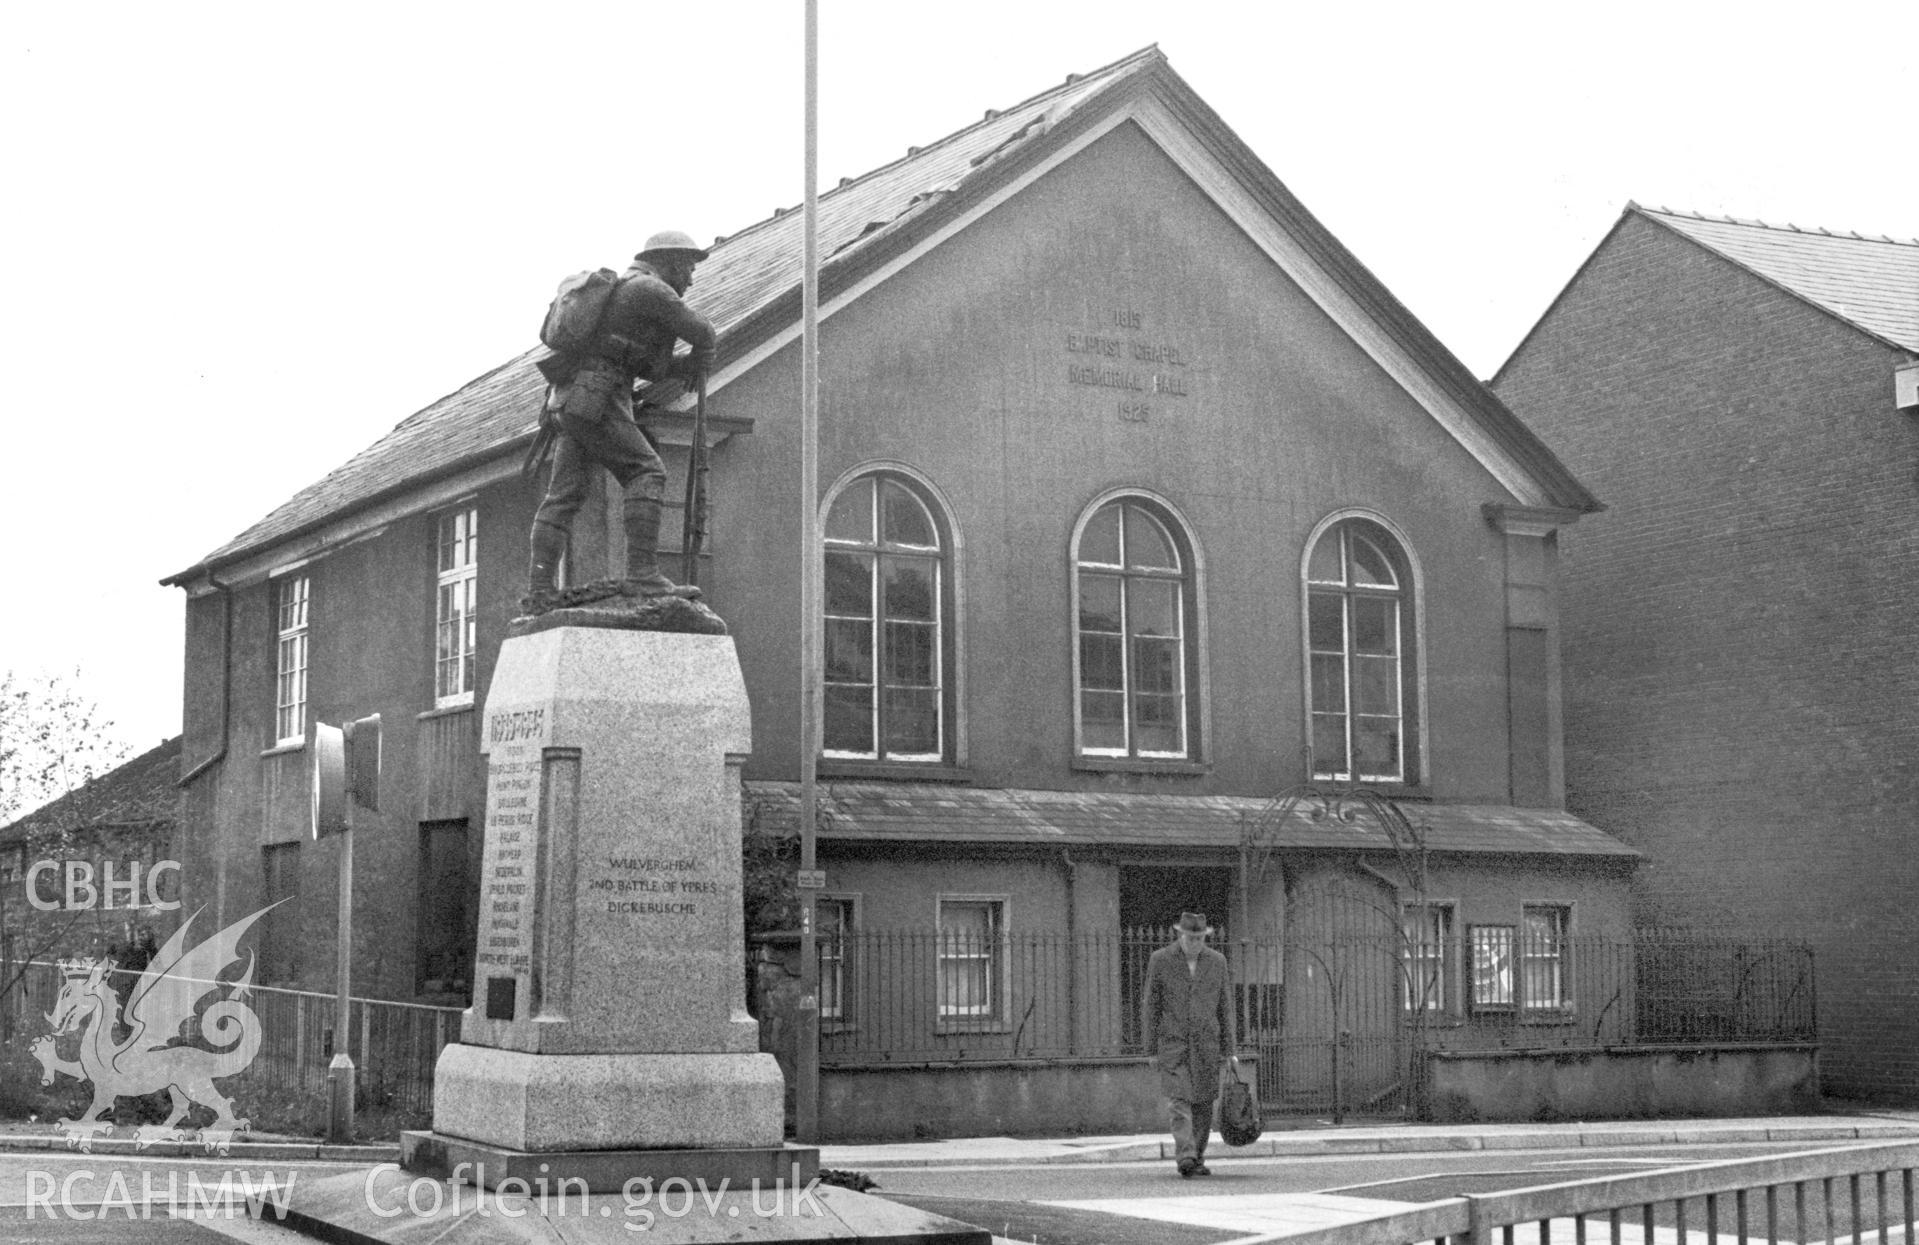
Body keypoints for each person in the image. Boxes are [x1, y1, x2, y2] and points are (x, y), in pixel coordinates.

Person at [526, 230, 718, 608]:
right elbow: (702, 329)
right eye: (688, 269)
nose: (691, 279)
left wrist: (685, 366)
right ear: (670, 263)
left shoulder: (627, 292)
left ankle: (539, 590)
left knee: (563, 495)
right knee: (647, 472)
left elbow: (644, 365)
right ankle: (643, 576)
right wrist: (704, 352)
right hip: (597, 397)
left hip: (572, 401)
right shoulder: (650, 288)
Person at [1141, 911, 1238, 1177]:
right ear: (1179, 935)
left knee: (1204, 1103)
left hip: (1207, 1044)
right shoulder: (1160, 960)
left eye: (1200, 938)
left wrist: (1229, 1050)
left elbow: (1225, 1006)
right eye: (1190, 937)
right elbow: (1151, 1006)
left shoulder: (1217, 962)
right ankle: (1186, 1154)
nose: (1195, 942)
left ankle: (1198, 1156)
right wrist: (1150, 1049)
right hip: (1174, 1045)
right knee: (1179, 1100)